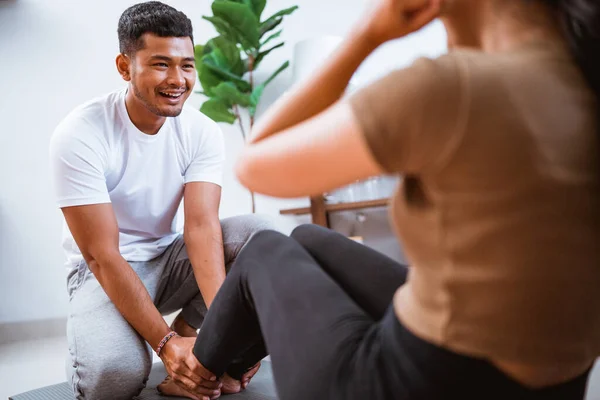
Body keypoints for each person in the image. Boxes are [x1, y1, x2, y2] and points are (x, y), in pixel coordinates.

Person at [153, 0, 600, 399]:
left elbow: (255, 165)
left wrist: (368, 35)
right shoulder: (578, 77)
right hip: (556, 379)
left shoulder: (453, 87)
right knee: (309, 237)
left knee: (266, 248)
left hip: (422, 379)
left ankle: (196, 372)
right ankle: (228, 368)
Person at [49, 2, 275, 399]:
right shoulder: (80, 134)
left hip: (171, 259)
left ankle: (193, 339)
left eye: (187, 65)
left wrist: (217, 345)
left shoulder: (200, 131)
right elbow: (103, 255)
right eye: (160, 64)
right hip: (103, 271)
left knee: (262, 235)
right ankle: (145, 343)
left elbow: (202, 228)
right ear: (124, 67)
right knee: (113, 377)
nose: (178, 79)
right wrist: (166, 346)